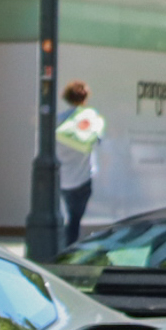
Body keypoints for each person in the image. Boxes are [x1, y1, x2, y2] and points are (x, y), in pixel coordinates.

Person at [54, 79, 103, 247]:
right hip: (82, 178)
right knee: (75, 219)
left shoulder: (58, 119)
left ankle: (64, 245)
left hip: (62, 177)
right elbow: (98, 141)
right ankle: (69, 247)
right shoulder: (90, 119)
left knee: (66, 216)